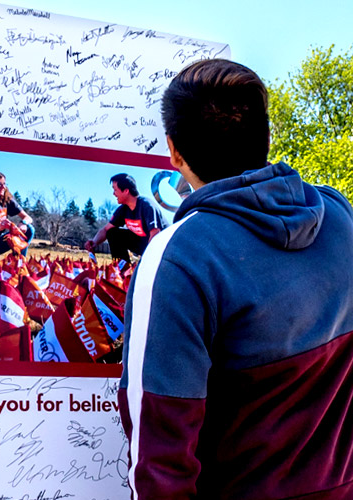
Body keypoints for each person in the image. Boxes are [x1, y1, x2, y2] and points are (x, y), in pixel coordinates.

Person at [120, 58, 353, 499]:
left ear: (173, 151)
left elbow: (159, 454)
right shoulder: (339, 217)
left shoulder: (180, 257)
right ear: (267, 136)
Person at [83, 173, 166, 265]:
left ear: (126, 191)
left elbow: (155, 233)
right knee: (112, 233)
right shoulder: (123, 210)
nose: (113, 194)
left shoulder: (147, 206)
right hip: (143, 244)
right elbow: (106, 229)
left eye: (115, 190)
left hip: (162, 247)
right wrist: (94, 242)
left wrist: (146, 261)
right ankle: (122, 268)